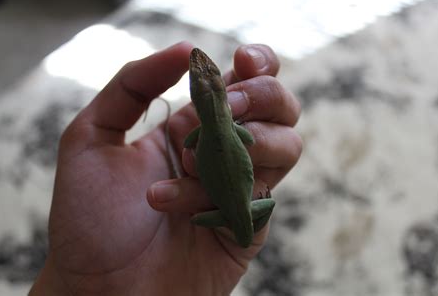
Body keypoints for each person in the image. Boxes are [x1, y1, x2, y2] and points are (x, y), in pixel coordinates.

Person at [29, 42, 302, 295]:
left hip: (224, 212)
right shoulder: (231, 128)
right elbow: (251, 140)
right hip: (234, 210)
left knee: (215, 219)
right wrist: (238, 132)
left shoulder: (198, 133)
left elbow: (191, 142)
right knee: (255, 212)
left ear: (195, 99)